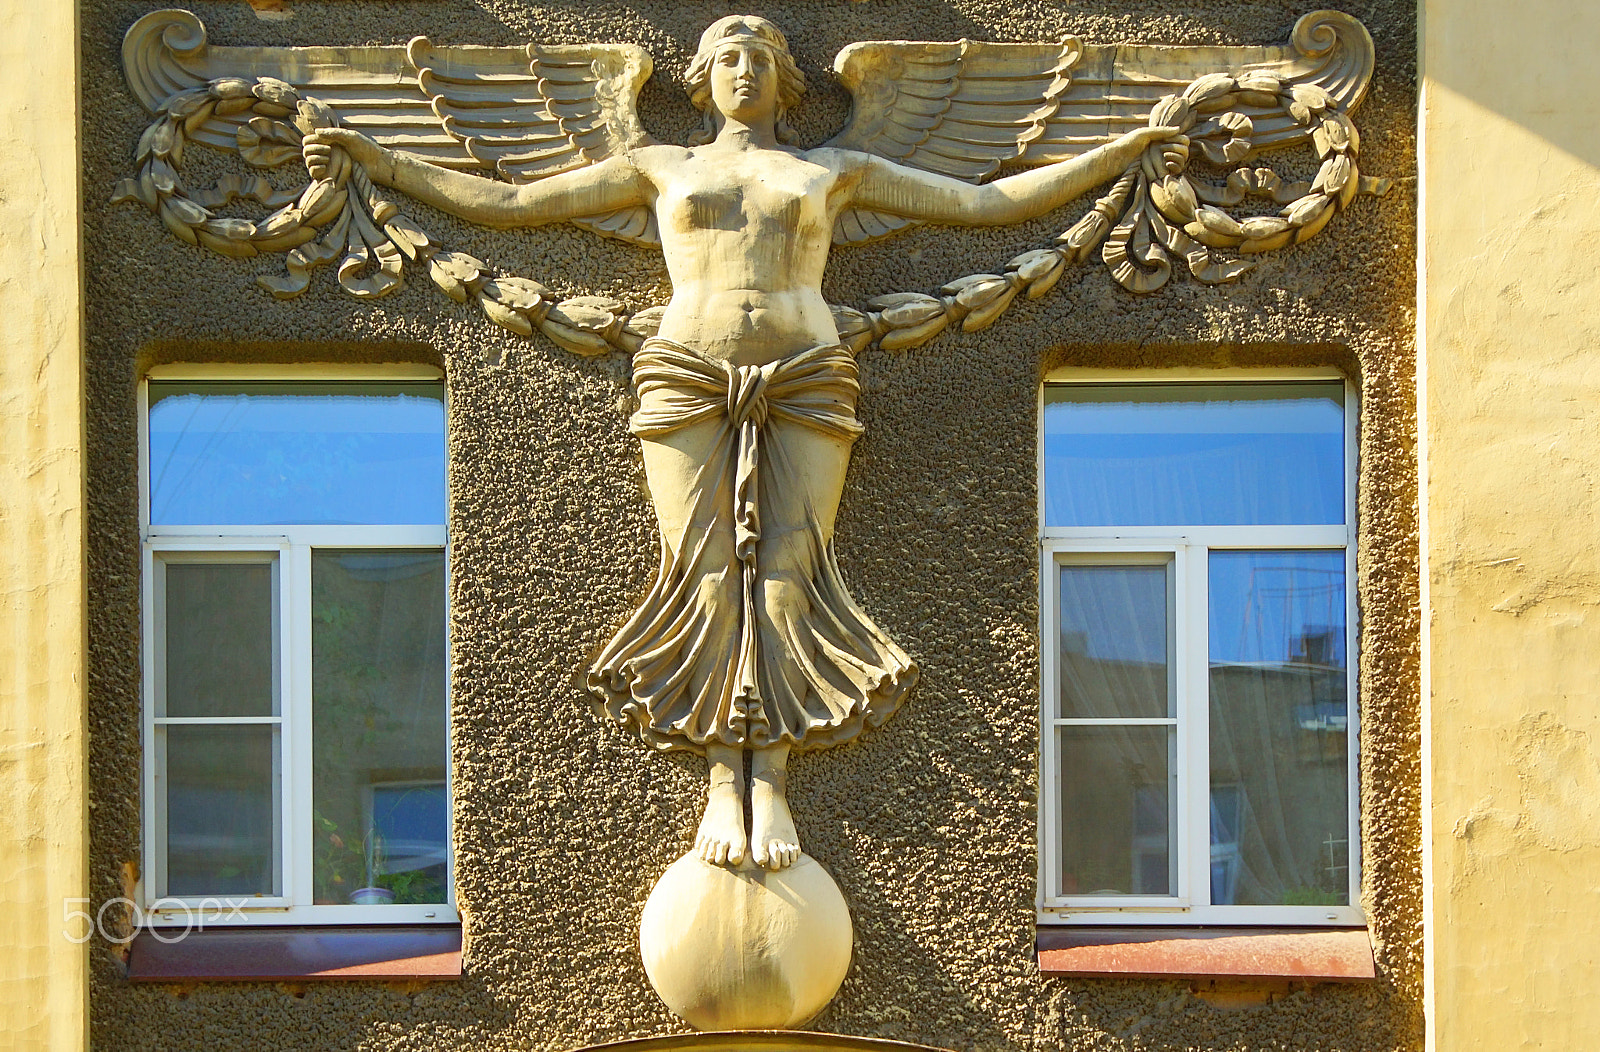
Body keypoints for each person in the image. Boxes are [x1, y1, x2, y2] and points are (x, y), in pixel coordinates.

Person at [305, 15, 1183, 872]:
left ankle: (775, 782)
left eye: (759, 56)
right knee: (706, 570)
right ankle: (723, 780)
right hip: (686, 371)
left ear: (782, 79)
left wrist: (1123, 149)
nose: (743, 69)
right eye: (726, 56)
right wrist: (372, 158)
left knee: (791, 574)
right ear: (701, 76)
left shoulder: (831, 171)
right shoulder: (658, 167)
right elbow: (511, 203)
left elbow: (984, 204)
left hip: (809, 372)